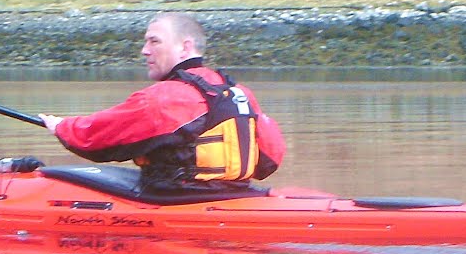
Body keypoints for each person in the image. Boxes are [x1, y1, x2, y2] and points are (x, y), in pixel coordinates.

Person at [40, 12, 286, 191]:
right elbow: (269, 160)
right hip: (234, 194)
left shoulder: (169, 97)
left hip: (179, 199)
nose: (144, 51)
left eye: (154, 41)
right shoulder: (238, 91)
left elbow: (95, 140)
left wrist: (61, 127)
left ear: (184, 47)